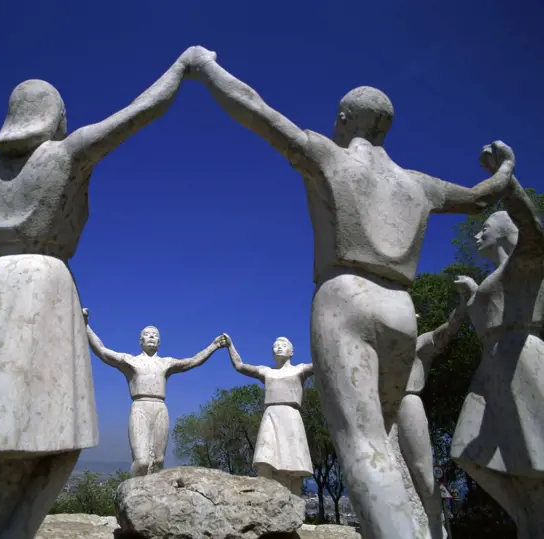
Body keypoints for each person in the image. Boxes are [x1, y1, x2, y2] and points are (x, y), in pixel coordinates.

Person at [187, 45, 515, 538]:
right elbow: (480, 197)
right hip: (401, 311)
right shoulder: (419, 186)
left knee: (364, 448)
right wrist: (505, 167)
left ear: (344, 119)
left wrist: (207, 69)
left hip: (346, 300)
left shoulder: (328, 155)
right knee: (383, 443)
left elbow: (256, 110)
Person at [0, 48, 208, 539]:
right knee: (54, 433)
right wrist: (182, 68)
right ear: (56, 116)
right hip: (44, 288)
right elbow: (139, 112)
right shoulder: (66, 152)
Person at [451, 157, 544, 538]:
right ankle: (526, 517)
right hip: (492, 361)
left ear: (505, 231)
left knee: (534, 454)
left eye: (484, 228)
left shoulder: (526, 262)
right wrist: (474, 296)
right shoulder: (491, 278)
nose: (477, 235)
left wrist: (506, 180)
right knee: (466, 451)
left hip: (520, 354)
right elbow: (482, 325)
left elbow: (533, 228)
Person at [83, 309, 227, 476]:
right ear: (140, 340)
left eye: (155, 335)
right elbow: (102, 351)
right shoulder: (131, 361)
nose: (151, 336)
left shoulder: (166, 363)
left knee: (158, 461)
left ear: (159, 342)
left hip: (160, 408)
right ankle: (134, 490)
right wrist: (86, 326)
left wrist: (214, 345)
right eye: (147, 334)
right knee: (142, 461)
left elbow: (193, 361)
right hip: (140, 407)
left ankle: (152, 495)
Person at [398, 289, 470, 539]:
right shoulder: (380, 352)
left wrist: (464, 305)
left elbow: (449, 329)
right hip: (379, 408)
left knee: (421, 466)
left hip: (408, 402)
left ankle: (434, 522)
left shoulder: (421, 343)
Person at [224, 334, 312, 495]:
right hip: (271, 415)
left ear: (292, 351)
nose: (278, 347)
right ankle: (266, 496)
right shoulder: (267, 371)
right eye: (275, 345)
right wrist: (230, 346)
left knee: (293, 461)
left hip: (291, 416)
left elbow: (323, 363)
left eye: (283, 345)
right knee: (265, 457)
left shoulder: (300, 369)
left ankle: (294, 499)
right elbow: (240, 366)